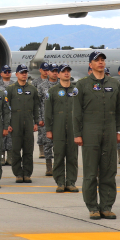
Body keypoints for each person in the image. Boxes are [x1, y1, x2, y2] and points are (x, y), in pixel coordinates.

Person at [73, 51, 120, 220]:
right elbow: (77, 112)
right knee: (90, 172)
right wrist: (77, 134)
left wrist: (118, 131)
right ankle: (93, 207)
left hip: (109, 131)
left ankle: (107, 206)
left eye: (102, 60)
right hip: (90, 132)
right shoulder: (82, 85)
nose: (100, 63)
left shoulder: (114, 84)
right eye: (97, 60)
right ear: (90, 64)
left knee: (109, 170)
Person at [45, 64, 79, 192]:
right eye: (63, 71)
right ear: (58, 75)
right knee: (59, 155)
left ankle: (70, 182)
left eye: (68, 71)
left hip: (73, 128)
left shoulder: (76, 90)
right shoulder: (52, 91)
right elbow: (48, 112)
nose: (66, 73)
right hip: (58, 128)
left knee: (72, 156)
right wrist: (48, 129)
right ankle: (60, 182)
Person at [5, 64, 41, 183]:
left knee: (28, 150)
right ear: (17, 75)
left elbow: (36, 106)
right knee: (15, 149)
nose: (24, 74)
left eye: (25, 72)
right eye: (22, 72)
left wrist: (36, 122)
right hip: (15, 122)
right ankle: (18, 174)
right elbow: (6, 107)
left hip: (29, 122)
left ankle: (27, 173)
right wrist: (7, 124)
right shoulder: (11, 89)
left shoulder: (32, 89)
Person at [37, 64, 60, 175]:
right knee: (47, 143)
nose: (55, 73)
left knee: (59, 144)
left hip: (60, 119)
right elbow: (37, 103)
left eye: (56, 71)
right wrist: (39, 118)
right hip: (46, 119)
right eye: (53, 71)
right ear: (48, 73)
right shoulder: (42, 86)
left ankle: (58, 166)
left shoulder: (62, 84)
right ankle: (49, 167)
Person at [0, 65, 14, 165]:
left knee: (11, 138)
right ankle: (2, 158)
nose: (7, 73)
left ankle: (10, 158)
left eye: (8, 71)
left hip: (12, 113)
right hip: (0, 113)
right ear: (1, 73)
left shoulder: (14, 85)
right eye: (5, 71)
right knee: (2, 137)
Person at [33, 62, 50, 159]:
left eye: (47, 70)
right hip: (40, 109)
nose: (46, 72)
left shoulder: (50, 81)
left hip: (48, 109)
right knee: (41, 132)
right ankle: (41, 150)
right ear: (40, 70)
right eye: (44, 70)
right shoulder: (36, 82)